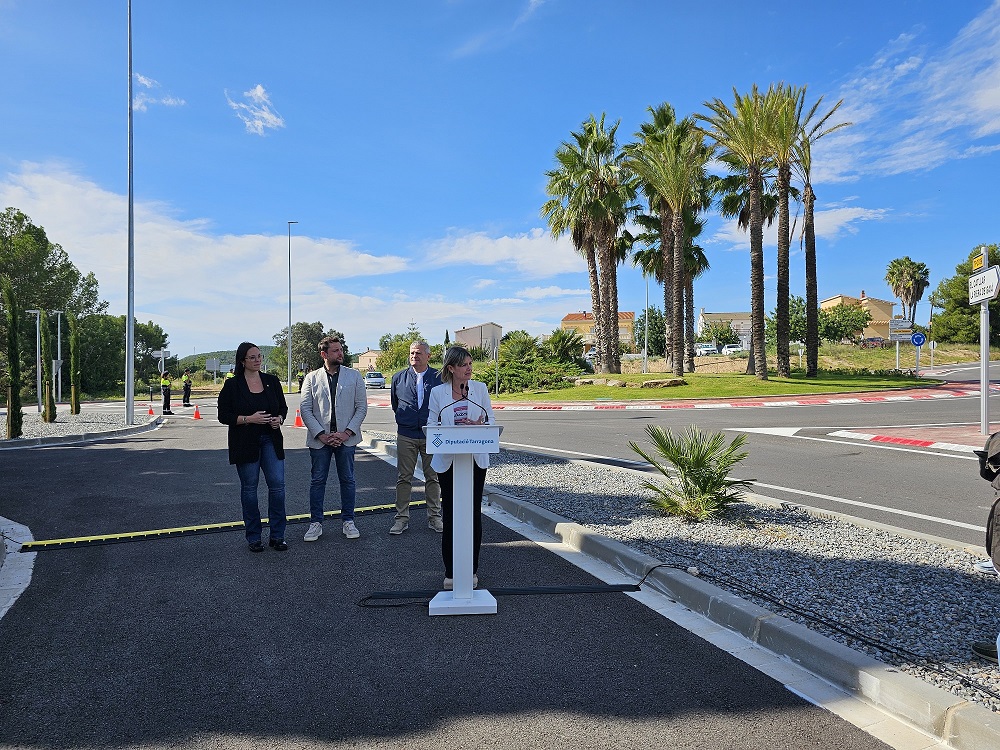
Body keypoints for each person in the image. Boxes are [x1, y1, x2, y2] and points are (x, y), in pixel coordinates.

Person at [427, 346, 495, 590]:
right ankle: (451, 571)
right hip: (448, 461)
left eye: (470, 363)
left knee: (473, 515)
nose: (469, 368)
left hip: (474, 460)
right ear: (451, 368)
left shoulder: (480, 389)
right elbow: (431, 424)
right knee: (452, 514)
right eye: (464, 364)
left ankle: (471, 570)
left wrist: (480, 424)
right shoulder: (438, 393)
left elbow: (491, 421)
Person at [217, 342, 289, 553]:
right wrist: (249, 419)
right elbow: (223, 416)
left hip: (271, 439)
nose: (258, 360)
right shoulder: (233, 385)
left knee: (277, 486)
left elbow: (282, 408)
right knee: (250, 489)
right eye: (253, 357)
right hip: (245, 442)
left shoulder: (272, 381)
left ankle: (277, 536)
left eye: (259, 356)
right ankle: (254, 537)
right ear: (242, 361)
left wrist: (279, 419)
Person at [299, 335, 368, 542]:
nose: (341, 353)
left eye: (341, 350)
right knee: (318, 480)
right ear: (324, 354)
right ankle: (315, 523)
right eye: (336, 350)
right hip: (320, 440)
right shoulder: (312, 378)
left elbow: (361, 407)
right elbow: (305, 408)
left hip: (346, 439)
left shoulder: (354, 376)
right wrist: (321, 434)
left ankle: (348, 521)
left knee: (347, 480)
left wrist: (346, 432)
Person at [389, 340, 442, 535]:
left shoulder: (439, 377)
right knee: (404, 478)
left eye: (418, 353)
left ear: (428, 356)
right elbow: (396, 405)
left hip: (432, 435)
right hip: (406, 434)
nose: (414, 356)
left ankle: (435, 518)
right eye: (412, 353)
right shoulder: (398, 378)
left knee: (433, 478)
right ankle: (401, 519)